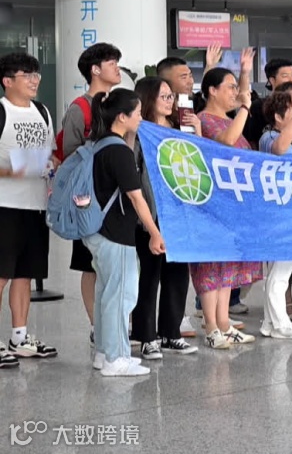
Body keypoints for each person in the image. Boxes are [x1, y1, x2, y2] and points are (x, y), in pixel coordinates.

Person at [84, 88, 165, 376]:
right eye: (138, 113)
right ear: (122, 116)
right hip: (116, 232)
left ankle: (104, 353)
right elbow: (135, 196)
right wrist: (155, 232)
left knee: (107, 292)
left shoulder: (98, 144)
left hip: (98, 230)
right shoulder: (118, 151)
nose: (141, 118)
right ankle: (116, 358)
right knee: (120, 296)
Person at [193, 67, 262, 348]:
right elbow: (227, 142)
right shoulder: (203, 120)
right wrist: (245, 106)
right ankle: (211, 325)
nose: (236, 92)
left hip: (234, 207)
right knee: (211, 264)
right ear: (212, 90)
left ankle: (224, 323)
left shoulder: (230, 120)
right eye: (230, 87)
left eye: (236, 87)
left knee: (228, 266)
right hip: (213, 206)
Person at [130, 78, 199, 359]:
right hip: (151, 213)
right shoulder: (140, 132)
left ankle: (171, 332)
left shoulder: (178, 129)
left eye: (172, 96)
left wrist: (197, 130)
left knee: (178, 275)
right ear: (148, 99)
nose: (170, 101)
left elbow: (195, 161)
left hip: (178, 213)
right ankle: (146, 336)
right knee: (150, 276)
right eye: (164, 96)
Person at [0, 53, 58, 368]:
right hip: (4, 206)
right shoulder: (2, 111)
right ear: (7, 81)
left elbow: (50, 155)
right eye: (28, 75)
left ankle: (19, 338)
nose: (35, 80)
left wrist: (50, 166)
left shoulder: (42, 111)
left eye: (36, 75)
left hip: (36, 206)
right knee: (1, 275)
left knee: (24, 273)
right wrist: (14, 170)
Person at [65, 42, 123, 348]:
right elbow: (69, 156)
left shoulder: (120, 104)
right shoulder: (80, 108)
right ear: (95, 70)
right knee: (90, 264)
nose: (117, 68)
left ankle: (116, 322)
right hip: (89, 199)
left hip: (119, 198)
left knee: (116, 261)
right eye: (112, 63)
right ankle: (95, 325)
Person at [256, 91, 292, 339]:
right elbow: (279, 150)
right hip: (279, 213)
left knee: (281, 269)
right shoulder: (269, 137)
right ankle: (281, 323)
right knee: (280, 270)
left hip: (291, 209)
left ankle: (270, 322)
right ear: (278, 118)